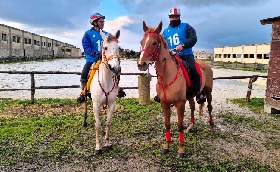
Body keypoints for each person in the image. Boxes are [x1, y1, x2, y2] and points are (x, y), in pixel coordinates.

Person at [154, 7, 206, 104]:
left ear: (179, 17)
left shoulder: (186, 27)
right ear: (169, 17)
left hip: (185, 54)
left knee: (193, 69)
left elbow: (193, 38)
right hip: (171, 57)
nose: (174, 18)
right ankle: (160, 92)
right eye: (172, 16)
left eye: (176, 16)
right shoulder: (165, 32)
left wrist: (183, 45)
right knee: (160, 70)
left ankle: (198, 92)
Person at [77, 13, 125, 103]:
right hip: (92, 60)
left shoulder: (107, 35)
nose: (103, 23)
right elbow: (86, 47)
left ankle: (117, 88)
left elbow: (112, 45)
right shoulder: (88, 34)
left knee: (116, 70)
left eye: (103, 21)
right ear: (95, 22)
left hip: (105, 60)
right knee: (84, 73)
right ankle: (83, 92)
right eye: (101, 21)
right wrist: (95, 53)